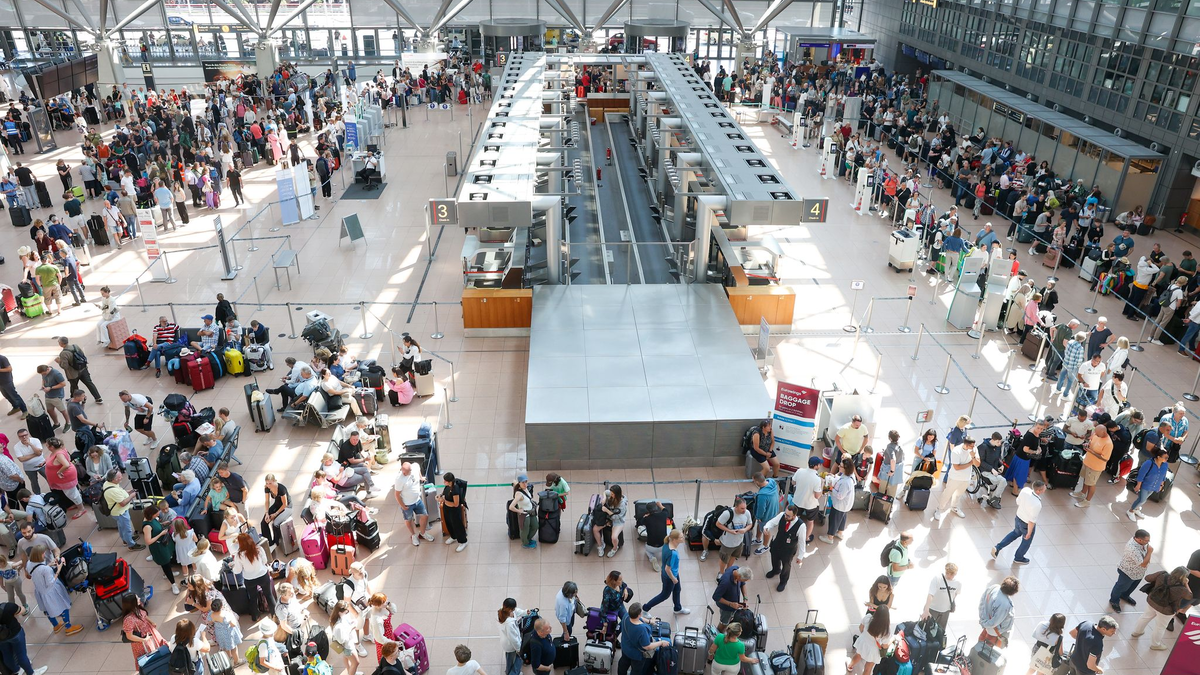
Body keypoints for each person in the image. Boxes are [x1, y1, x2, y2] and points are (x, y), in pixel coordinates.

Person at [1132, 566, 1192, 650]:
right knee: (1160, 627)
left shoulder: (1163, 574)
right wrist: (1186, 583)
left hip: (1153, 601)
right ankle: (1155, 644)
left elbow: (1147, 578)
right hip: (1166, 610)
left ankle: (1137, 632)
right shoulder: (1182, 589)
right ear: (1184, 577)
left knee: (1145, 616)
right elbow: (1190, 596)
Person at [27, 545, 80, 634]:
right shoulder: (45, 569)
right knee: (64, 606)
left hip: (40, 591)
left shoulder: (29, 563)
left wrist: (50, 564)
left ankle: (56, 626)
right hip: (51, 592)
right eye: (43, 553)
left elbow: (37, 572)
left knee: (47, 609)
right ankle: (68, 627)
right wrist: (58, 569)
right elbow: (50, 582)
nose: (44, 554)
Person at [933, 436, 979, 520]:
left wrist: (973, 457)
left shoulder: (974, 450)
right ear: (966, 445)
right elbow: (957, 467)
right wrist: (970, 463)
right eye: (971, 446)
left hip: (966, 478)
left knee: (958, 494)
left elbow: (977, 464)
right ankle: (939, 509)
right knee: (947, 494)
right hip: (955, 478)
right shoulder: (956, 451)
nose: (973, 447)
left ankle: (954, 507)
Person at [642, 529, 688, 615]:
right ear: (675, 539)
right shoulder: (673, 553)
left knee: (677, 589)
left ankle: (677, 608)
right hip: (670, 577)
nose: (683, 538)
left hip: (671, 573)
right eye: (681, 537)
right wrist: (673, 579)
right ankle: (645, 608)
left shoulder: (666, 544)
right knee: (664, 595)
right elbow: (668, 569)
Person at [761, 505, 805, 591]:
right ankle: (776, 570)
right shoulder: (782, 515)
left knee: (786, 566)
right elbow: (772, 522)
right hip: (777, 544)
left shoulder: (801, 526)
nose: (785, 516)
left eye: (788, 516)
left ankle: (783, 581)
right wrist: (766, 527)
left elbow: (802, 542)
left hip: (788, 550)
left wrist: (800, 556)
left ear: (794, 516)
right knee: (774, 558)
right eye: (785, 514)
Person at [617, 603, 668, 675]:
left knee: (623, 665)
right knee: (636, 671)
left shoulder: (626, 616)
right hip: (636, 655)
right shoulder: (642, 630)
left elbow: (639, 618)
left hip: (625, 648)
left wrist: (650, 621)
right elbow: (647, 646)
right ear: (639, 614)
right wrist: (661, 642)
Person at [102, 469, 145, 552]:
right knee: (127, 529)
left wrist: (128, 492)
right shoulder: (113, 491)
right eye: (119, 477)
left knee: (121, 527)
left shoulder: (108, 484)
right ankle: (131, 545)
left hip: (117, 512)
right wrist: (132, 495)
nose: (121, 478)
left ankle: (125, 539)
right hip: (120, 512)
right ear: (113, 479)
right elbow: (123, 503)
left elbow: (119, 492)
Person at [709, 497, 752, 579]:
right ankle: (721, 572)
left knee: (733, 556)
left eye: (745, 508)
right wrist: (729, 531)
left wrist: (745, 529)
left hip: (739, 542)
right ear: (736, 507)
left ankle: (728, 571)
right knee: (724, 559)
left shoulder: (747, 513)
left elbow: (750, 524)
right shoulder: (727, 514)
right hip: (727, 543)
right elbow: (718, 524)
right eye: (742, 508)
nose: (744, 510)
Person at [394, 462, 435, 547]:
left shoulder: (415, 466)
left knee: (425, 516)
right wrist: (402, 505)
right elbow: (397, 495)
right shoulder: (399, 479)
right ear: (402, 471)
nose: (408, 473)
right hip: (407, 504)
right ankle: (413, 535)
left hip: (417, 500)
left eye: (410, 470)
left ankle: (423, 533)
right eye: (407, 472)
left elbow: (418, 469)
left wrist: (421, 478)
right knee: (409, 520)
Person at [231, 531, 275, 611]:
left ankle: (255, 616)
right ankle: (275, 615)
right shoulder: (259, 549)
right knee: (269, 595)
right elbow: (265, 561)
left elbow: (237, 571)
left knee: (253, 598)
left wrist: (233, 567)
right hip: (262, 575)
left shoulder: (239, 555)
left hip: (249, 579)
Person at [818, 459, 856, 545]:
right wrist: (835, 477)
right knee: (842, 518)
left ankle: (830, 537)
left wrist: (831, 488)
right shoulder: (849, 476)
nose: (839, 466)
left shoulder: (846, 482)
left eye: (841, 466)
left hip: (840, 505)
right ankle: (840, 532)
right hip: (846, 505)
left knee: (834, 519)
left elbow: (840, 496)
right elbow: (841, 479)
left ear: (846, 469)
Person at [1073, 424, 1112, 508]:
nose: (1095, 434)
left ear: (1104, 432)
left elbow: (1105, 458)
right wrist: (1087, 445)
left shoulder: (1108, 443)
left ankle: (1087, 501)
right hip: (1087, 461)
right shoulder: (1096, 434)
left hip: (1095, 467)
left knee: (1091, 483)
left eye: (1097, 433)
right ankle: (1082, 492)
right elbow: (1090, 442)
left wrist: (1091, 451)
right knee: (1086, 479)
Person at [846, 606, 890, 675]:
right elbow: (885, 646)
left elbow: (860, 628)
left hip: (863, 643)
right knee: (868, 669)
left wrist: (866, 636)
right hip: (874, 650)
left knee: (858, 655)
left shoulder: (868, 618)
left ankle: (850, 666)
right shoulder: (886, 630)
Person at [1127, 449, 1169, 520]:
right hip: (1145, 485)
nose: (1166, 459)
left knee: (1144, 499)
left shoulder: (1165, 465)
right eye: (1165, 458)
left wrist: (1161, 485)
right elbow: (1141, 474)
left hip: (1154, 486)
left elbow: (1163, 476)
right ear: (1158, 457)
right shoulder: (1149, 463)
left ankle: (1136, 509)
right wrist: (1138, 485)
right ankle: (1131, 511)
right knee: (1142, 500)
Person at [978, 576, 1020, 647]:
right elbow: (994, 622)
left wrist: (983, 619)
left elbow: (982, 600)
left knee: (982, 638)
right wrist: (984, 623)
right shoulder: (1005, 604)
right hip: (994, 630)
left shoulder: (994, 587)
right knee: (987, 646)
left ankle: (978, 647)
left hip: (986, 620)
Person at [791, 456, 824, 543]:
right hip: (810, 504)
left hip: (798, 501)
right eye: (819, 464)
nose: (820, 465)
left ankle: (793, 534)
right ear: (816, 466)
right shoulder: (817, 479)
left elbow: (793, 482)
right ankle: (806, 538)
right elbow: (817, 496)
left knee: (795, 518)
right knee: (810, 521)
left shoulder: (800, 471)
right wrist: (822, 487)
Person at [56, 338, 101, 402]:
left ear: (61, 344)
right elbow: (82, 355)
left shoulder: (63, 353)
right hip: (83, 369)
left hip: (73, 373)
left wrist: (59, 361)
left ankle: (75, 399)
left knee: (74, 386)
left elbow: (65, 366)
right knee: (89, 383)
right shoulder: (75, 346)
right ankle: (98, 398)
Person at [921, 563, 961, 631]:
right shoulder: (937, 579)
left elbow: (955, 594)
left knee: (940, 631)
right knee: (926, 629)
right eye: (947, 573)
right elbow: (930, 594)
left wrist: (951, 604)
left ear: (955, 573)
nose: (949, 575)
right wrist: (926, 610)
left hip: (945, 611)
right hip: (933, 609)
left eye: (952, 574)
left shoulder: (958, 583)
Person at [712, 566, 752, 631]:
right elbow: (716, 597)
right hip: (726, 608)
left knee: (730, 619)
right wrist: (731, 604)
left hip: (733, 603)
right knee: (724, 623)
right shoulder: (725, 582)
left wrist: (745, 598)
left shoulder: (737, 569)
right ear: (739, 576)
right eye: (743, 580)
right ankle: (719, 636)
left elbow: (743, 584)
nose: (743, 582)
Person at [497, 599, 529, 675]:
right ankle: (511, 672)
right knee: (511, 659)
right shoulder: (509, 624)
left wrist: (525, 612)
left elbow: (516, 611)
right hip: (509, 644)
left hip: (507, 641)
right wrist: (519, 649)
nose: (514, 610)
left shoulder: (503, 610)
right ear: (510, 609)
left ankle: (509, 671)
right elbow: (513, 639)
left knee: (510, 658)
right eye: (513, 609)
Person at [209, 597, 243, 667]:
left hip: (220, 633)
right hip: (228, 633)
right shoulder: (226, 614)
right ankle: (237, 661)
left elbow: (210, 621)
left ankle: (229, 658)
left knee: (226, 648)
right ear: (221, 606)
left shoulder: (211, 614)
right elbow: (233, 624)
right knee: (234, 648)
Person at [438, 472, 468, 551]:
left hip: (454, 510)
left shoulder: (455, 489)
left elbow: (456, 504)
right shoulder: (447, 487)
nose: (444, 482)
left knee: (457, 525)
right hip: (447, 508)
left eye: (445, 481)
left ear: (450, 481)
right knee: (449, 523)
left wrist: (443, 501)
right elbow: (444, 493)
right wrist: (440, 496)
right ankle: (453, 536)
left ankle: (463, 541)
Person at [637, 501, 670, 571]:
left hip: (651, 546)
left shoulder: (646, 519)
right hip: (663, 545)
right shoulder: (663, 515)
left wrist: (645, 516)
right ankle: (666, 555)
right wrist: (660, 505)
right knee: (669, 530)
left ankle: (652, 558)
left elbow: (639, 523)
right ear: (656, 508)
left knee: (647, 550)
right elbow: (666, 510)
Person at [509, 475, 537, 550]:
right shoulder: (519, 494)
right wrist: (519, 511)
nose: (525, 484)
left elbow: (514, 482)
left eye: (526, 482)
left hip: (531, 512)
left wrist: (514, 482)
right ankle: (525, 543)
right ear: (520, 483)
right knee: (525, 530)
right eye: (523, 483)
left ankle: (528, 539)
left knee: (535, 526)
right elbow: (511, 507)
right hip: (525, 515)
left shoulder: (524, 488)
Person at [877, 430, 905, 497]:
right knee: (892, 490)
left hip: (888, 469)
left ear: (890, 438)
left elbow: (893, 460)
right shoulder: (900, 444)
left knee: (882, 488)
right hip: (898, 469)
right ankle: (889, 506)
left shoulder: (890, 447)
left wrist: (892, 471)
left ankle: (880, 504)